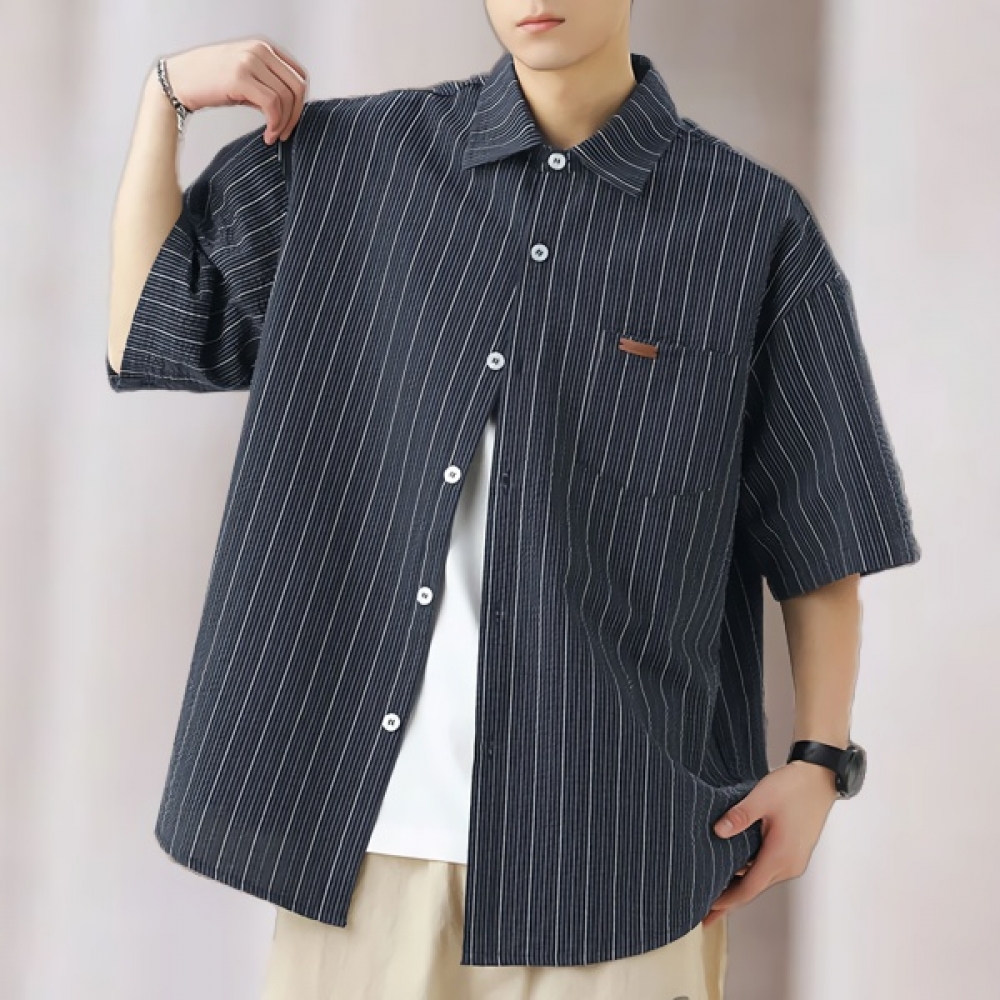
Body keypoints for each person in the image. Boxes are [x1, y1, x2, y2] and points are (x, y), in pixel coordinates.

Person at [105, 2, 922, 998]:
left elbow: (820, 527)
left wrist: (820, 761)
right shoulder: (346, 165)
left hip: (617, 858)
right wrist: (165, 99)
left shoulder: (748, 225)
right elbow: (148, 328)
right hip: (369, 857)